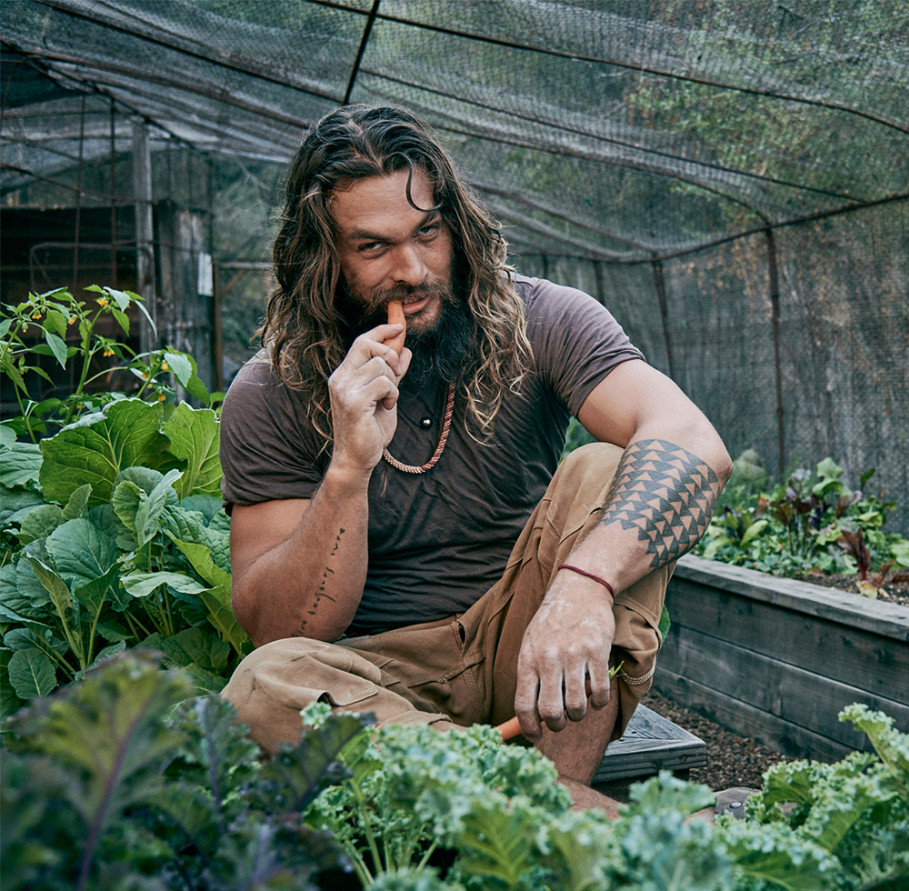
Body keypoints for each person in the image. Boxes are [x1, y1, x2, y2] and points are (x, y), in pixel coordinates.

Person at [218, 104, 730, 811]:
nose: (414, 268)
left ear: (455, 222)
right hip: (378, 685)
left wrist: (584, 584)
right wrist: (347, 467)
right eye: (373, 248)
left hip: (529, 659)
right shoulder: (270, 390)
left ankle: (507, 802)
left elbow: (693, 440)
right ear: (323, 261)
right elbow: (283, 630)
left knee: (612, 469)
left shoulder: (542, 319)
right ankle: (569, 818)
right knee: (260, 685)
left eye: (428, 231)